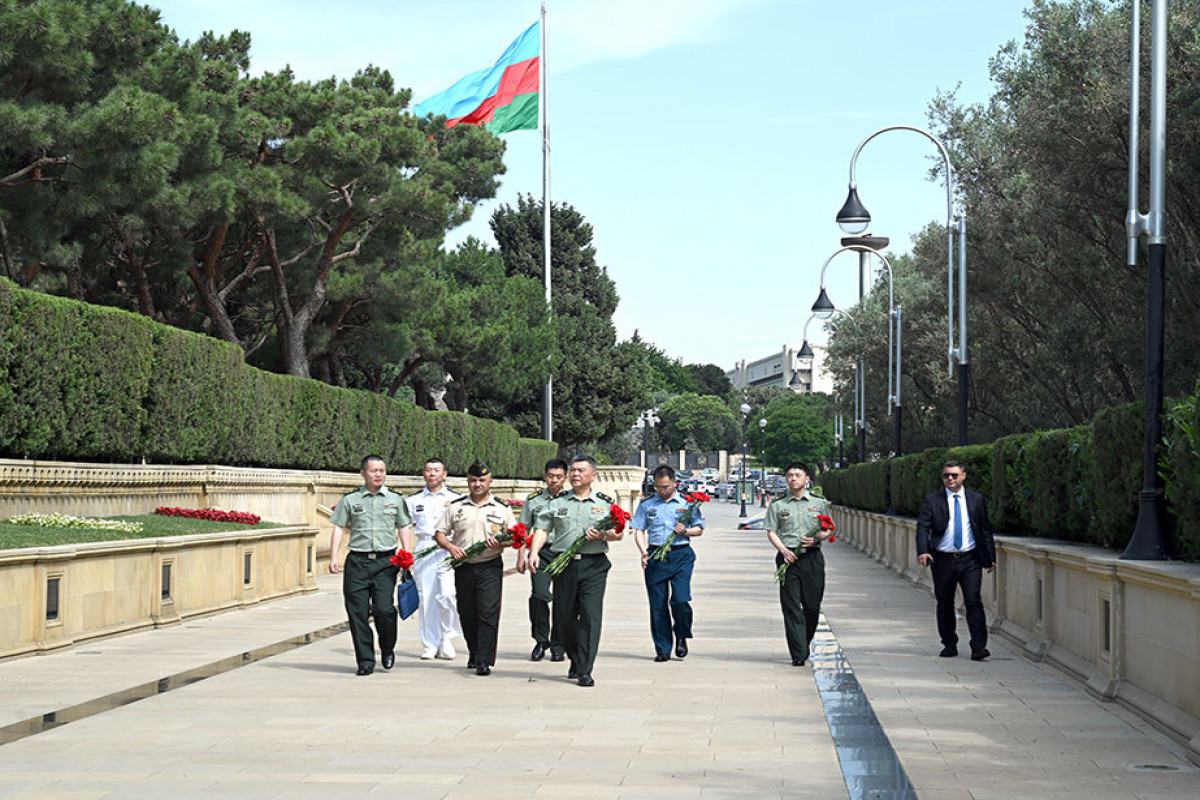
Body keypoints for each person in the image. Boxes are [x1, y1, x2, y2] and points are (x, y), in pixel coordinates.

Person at [529, 455, 622, 687]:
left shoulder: (605, 503)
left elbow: (618, 533)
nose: (575, 475)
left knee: (590, 616)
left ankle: (584, 668)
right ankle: (575, 656)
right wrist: (533, 552)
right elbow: (542, 528)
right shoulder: (557, 501)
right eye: (573, 471)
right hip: (564, 565)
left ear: (593, 475)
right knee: (565, 618)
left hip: (594, 565)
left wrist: (603, 535)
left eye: (581, 470)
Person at [329, 455, 413, 675]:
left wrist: (406, 552)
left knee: (384, 610)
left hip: (386, 562)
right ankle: (365, 661)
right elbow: (338, 527)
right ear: (363, 473)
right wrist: (334, 557)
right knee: (357, 613)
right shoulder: (350, 499)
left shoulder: (395, 499)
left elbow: (404, 525)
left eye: (382, 471)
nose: (379, 475)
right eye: (374, 471)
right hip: (357, 561)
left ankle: (387, 647)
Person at [434, 460, 516, 676]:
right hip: (464, 566)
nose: (477, 484)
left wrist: (501, 542)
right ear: (468, 482)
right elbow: (440, 533)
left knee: (487, 612)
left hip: (489, 565)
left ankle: (484, 660)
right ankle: (474, 651)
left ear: (490, 481)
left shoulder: (502, 508)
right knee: (467, 613)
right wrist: (451, 547)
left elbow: (516, 537)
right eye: (473, 480)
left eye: (482, 480)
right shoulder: (456, 507)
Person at [916, 460, 997, 660]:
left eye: (954, 475)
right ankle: (949, 644)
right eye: (946, 475)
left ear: (963, 476)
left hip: (970, 559)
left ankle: (978, 647)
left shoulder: (976, 499)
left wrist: (990, 558)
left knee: (973, 601)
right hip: (943, 559)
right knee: (944, 602)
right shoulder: (933, 500)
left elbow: (985, 529)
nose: (950, 479)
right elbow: (922, 527)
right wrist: (923, 551)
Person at [632, 464, 703, 662]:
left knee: (680, 599)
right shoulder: (647, 505)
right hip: (656, 555)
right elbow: (639, 529)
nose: (662, 491)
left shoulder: (687, 504)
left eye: (666, 487)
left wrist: (685, 531)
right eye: (658, 487)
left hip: (681, 555)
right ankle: (663, 647)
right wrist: (643, 551)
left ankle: (681, 634)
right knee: (657, 604)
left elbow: (699, 528)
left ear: (674, 483)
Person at [765, 462, 833, 667]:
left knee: (812, 606)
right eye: (789, 475)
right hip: (788, 560)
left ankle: (804, 642)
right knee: (791, 606)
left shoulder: (819, 503)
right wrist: (783, 550)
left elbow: (828, 528)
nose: (793, 478)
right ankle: (798, 652)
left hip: (811, 558)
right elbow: (771, 531)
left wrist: (817, 539)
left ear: (806, 479)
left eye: (797, 475)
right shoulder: (778, 505)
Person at [406, 458, 463, 660]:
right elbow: (404, 527)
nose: (432, 474)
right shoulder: (413, 500)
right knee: (427, 598)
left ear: (444, 474)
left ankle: (448, 636)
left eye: (436, 470)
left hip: (448, 549)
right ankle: (430, 643)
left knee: (448, 594)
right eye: (429, 470)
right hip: (424, 547)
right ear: (424, 473)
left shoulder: (456, 499)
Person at [515, 458, 568, 662]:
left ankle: (558, 643)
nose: (554, 480)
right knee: (539, 595)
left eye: (558, 477)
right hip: (541, 553)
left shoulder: (571, 498)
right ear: (545, 476)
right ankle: (540, 639)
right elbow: (523, 529)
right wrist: (521, 556)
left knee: (564, 601)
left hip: (564, 553)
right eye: (550, 476)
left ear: (565, 478)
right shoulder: (534, 499)